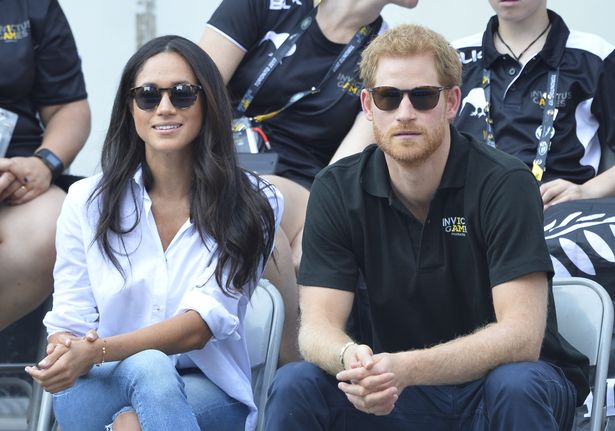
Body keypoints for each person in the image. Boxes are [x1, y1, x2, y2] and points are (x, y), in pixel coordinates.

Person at [264, 24, 588, 430]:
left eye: (422, 96)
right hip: (390, 391)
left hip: (494, 388)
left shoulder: (506, 182)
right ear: (367, 105)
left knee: (516, 383)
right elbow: (316, 329)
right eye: (388, 97)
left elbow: (521, 337)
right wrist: (353, 360)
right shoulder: (336, 188)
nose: (405, 113)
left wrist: (408, 368)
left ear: (452, 101)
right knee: (297, 382)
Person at [25, 35, 281, 431]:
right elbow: (70, 317)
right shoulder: (85, 200)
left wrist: (97, 352)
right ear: (130, 109)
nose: (164, 108)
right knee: (146, 372)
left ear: (208, 101)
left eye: (182, 94)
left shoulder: (255, 201)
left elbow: (201, 325)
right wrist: (64, 351)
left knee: (138, 409)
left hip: (206, 388)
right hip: (99, 386)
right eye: (147, 96)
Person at [199, 0, 420, 363]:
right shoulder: (264, 5)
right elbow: (191, 92)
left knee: (277, 216)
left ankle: (289, 364)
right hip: (213, 162)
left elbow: (339, 175)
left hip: (298, 187)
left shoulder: (387, 53)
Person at [453, 0, 615, 210]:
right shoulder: (454, 57)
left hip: (559, 214)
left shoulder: (596, 56)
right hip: (470, 214)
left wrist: (586, 191)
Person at [0, 0, 90, 330]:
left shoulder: (32, 6)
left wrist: (44, 163)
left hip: (15, 178)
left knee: (56, 224)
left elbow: (68, 108)